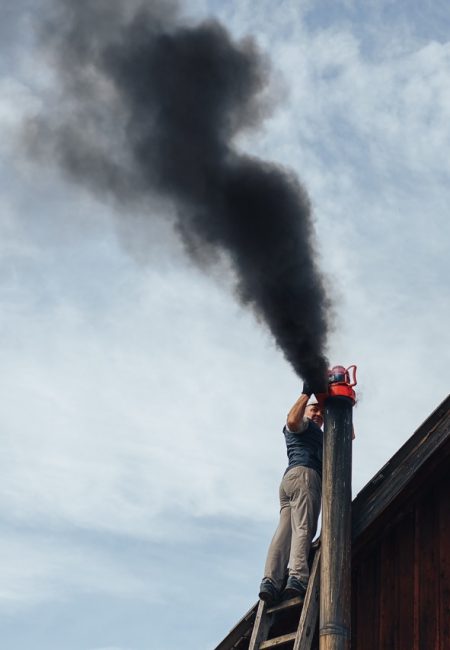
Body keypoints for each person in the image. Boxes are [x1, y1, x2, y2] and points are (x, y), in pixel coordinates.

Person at [258, 382, 325, 605]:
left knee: (284, 531)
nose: (318, 414)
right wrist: (306, 393)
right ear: (306, 409)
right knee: (304, 526)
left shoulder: (319, 434)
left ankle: (271, 580)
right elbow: (292, 420)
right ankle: (296, 576)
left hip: (289, 480)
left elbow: (349, 437)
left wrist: (342, 406)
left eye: (322, 412)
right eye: (314, 409)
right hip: (305, 476)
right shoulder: (303, 424)